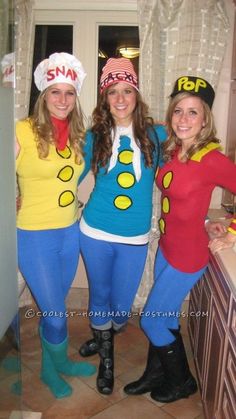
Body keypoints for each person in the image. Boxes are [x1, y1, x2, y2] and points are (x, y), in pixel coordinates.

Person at [124, 75, 236, 403]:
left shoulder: (212, 158)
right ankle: (156, 372)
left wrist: (232, 232)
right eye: (178, 111)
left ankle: (182, 381)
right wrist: (206, 220)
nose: (183, 119)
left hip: (188, 256)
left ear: (205, 121)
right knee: (166, 316)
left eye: (192, 112)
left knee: (153, 320)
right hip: (167, 247)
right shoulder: (173, 150)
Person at [77, 57, 166, 395]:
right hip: (95, 232)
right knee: (99, 296)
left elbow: (186, 169)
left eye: (127, 90)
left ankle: (103, 336)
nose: (120, 98)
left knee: (121, 306)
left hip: (134, 237)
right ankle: (107, 360)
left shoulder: (157, 135)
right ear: (105, 98)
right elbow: (71, 177)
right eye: (112, 91)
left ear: (136, 94)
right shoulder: (94, 136)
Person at [16, 52, 96, 399]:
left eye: (69, 92)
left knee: (56, 307)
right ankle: (53, 369)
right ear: (43, 95)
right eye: (54, 92)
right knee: (56, 313)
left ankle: (54, 365)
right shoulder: (20, 130)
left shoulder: (79, 135)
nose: (62, 99)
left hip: (69, 232)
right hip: (33, 236)